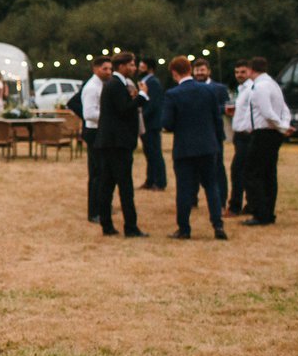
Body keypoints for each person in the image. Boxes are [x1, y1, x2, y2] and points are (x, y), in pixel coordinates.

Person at [163, 57, 227, 240]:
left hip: (184, 148)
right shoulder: (209, 90)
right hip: (208, 146)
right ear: (190, 69)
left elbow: (167, 123)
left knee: (184, 189)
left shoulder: (173, 94)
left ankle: (184, 228)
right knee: (211, 186)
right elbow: (217, 119)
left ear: (174, 73)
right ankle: (218, 225)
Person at [95, 52, 148, 237]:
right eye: (131, 65)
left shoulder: (115, 84)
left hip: (110, 142)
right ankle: (130, 226)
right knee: (124, 186)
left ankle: (107, 224)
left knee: (107, 184)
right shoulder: (116, 85)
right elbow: (124, 110)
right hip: (117, 143)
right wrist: (141, 97)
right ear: (122, 66)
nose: (134, 69)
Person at [241, 56, 293, 227]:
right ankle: (268, 212)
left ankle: (260, 212)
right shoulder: (273, 85)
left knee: (254, 173)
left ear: (251, 70)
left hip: (263, 133)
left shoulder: (260, 87)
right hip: (273, 133)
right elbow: (284, 109)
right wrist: (284, 125)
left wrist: (282, 127)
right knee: (269, 174)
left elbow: (267, 113)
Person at [191, 58, 229, 208]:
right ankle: (192, 199)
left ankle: (221, 200)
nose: (199, 73)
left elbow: (225, 108)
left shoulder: (219, 88)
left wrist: (209, 111)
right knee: (193, 169)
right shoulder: (190, 87)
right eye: (197, 70)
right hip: (194, 134)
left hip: (214, 133)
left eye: (202, 70)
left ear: (208, 71)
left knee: (218, 167)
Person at [78, 58, 111, 223]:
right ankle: (94, 211)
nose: (108, 72)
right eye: (105, 69)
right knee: (97, 173)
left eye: (110, 69)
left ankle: (101, 207)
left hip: (99, 130)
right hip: (94, 131)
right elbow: (89, 114)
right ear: (96, 69)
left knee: (102, 172)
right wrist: (110, 117)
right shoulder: (92, 88)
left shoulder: (100, 85)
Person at [227, 60, 254, 216]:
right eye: (237, 72)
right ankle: (249, 204)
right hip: (239, 135)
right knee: (245, 171)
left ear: (249, 71)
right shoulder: (241, 89)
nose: (239, 75)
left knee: (238, 171)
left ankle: (235, 206)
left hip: (246, 135)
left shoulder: (250, 89)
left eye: (242, 72)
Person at [137, 58, 167, 191]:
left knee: (155, 153)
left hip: (151, 124)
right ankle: (150, 180)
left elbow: (153, 104)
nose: (139, 69)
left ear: (150, 69)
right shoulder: (145, 82)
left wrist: (141, 118)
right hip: (147, 123)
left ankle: (160, 181)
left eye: (142, 67)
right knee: (149, 152)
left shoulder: (153, 82)